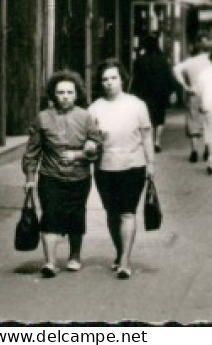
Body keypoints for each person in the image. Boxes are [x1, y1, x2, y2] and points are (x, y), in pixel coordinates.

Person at [23, 71, 98, 277]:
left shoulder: (86, 117)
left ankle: (74, 257)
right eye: (60, 92)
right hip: (50, 177)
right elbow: (32, 152)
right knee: (50, 215)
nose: (65, 96)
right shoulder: (43, 118)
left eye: (69, 92)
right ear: (53, 95)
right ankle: (50, 262)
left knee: (76, 216)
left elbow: (96, 147)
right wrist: (30, 179)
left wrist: (83, 152)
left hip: (79, 178)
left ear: (76, 94)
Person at [88, 59, 155, 280]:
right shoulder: (94, 108)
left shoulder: (137, 105)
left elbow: (146, 135)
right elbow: (89, 139)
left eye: (113, 78)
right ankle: (120, 252)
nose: (109, 83)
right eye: (104, 79)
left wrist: (151, 163)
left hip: (133, 166)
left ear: (122, 79)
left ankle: (125, 261)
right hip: (104, 168)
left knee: (127, 212)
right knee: (112, 213)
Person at [130, 36, 177, 155]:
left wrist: (133, 92)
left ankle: (149, 141)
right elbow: (169, 76)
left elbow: (135, 78)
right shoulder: (163, 59)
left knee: (148, 116)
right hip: (161, 91)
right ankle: (157, 141)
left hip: (144, 92)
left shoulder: (140, 60)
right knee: (160, 117)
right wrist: (172, 91)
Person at [173, 40, 212, 165]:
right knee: (208, 121)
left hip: (194, 93)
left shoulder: (190, 61)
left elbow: (176, 69)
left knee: (193, 121)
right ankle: (207, 150)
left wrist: (185, 86)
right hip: (210, 94)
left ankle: (194, 151)